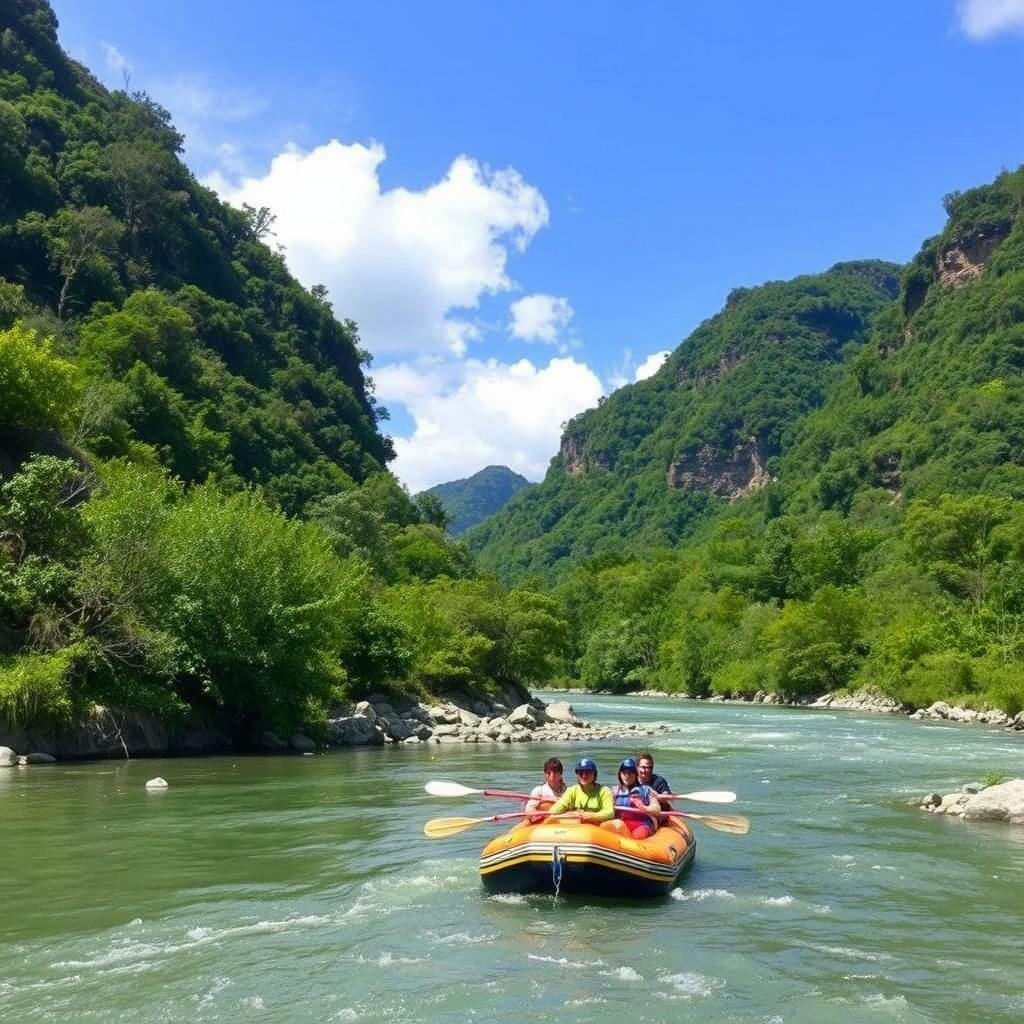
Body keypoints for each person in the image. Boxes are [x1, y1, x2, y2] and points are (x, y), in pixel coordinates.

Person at [604, 757, 661, 839]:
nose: (627, 776)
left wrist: (644, 808)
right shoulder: (614, 791)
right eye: (624, 773)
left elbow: (657, 809)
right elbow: (607, 809)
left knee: (638, 836)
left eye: (630, 773)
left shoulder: (646, 790)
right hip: (622, 824)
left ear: (636, 775)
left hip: (641, 824)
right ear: (620, 774)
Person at [546, 757, 614, 824]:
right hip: (578, 826)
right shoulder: (572, 790)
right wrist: (560, 814)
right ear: (577, 775)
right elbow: (559, 806)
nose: (584, 776)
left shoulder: (604, 791)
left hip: (597, 827)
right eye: (580, 773)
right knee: (551, 820)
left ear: (594, 774)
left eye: (588, 772)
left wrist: (590, 815)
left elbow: (609, 812)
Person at [524, 757, 567, 822]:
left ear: (560, 774)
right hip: (544, 824)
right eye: (548, 773)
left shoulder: (567, 791)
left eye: (555, 772)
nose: (552, 775)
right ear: (545, 774)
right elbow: (529, 808)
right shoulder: (539, 791)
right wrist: (535, 814)